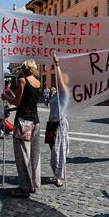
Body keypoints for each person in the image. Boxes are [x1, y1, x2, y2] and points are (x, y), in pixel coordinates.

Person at [2, 60, 41, 198]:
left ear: (24, 69)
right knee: (34, 156)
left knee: (22, 156)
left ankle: (24, 188)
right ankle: (34, 184)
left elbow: (18, 101)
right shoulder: (38, 82)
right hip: (36, 122)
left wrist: (5, 97)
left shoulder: (23, 80)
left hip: (24, 122)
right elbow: (26, 103)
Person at [46, 55, 69, 187]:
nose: (55, 81)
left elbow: (60, 80)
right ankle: (56, 174)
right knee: (53, 151)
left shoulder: (65, 92)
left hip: (60, 124)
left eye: (57, 80)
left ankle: (60, 176)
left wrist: (57, 64)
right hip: (51, 124)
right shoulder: (55, 94)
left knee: (59, 151)